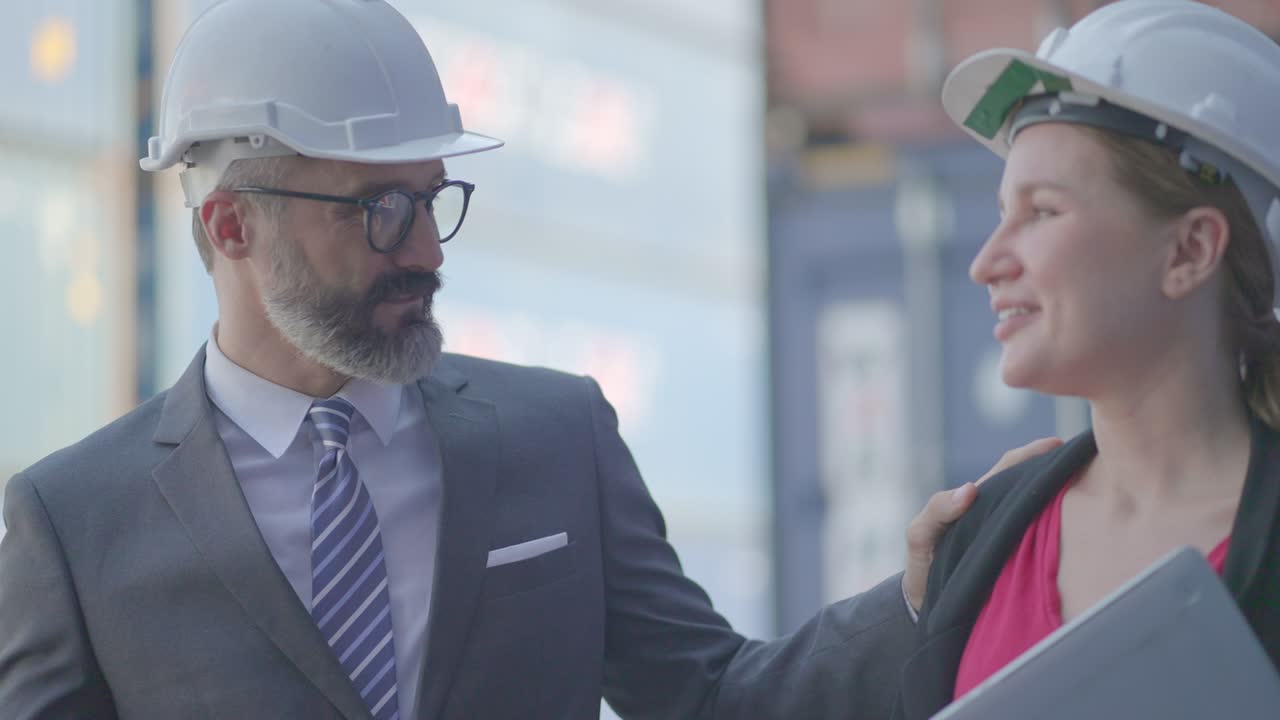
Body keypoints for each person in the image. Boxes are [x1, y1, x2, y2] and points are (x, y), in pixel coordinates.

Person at [0, 2, 1054, 719]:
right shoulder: (75, 524)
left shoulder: (558, 438)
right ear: (231, 226)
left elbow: (715, 698)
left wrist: (921, 591)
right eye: (379, 209)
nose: (423, 248)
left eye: (430, 197)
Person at [893, 2, 1280, 718]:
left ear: (1190, 250)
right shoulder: (977, 539)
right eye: (1001, 212)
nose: (985, 263)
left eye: (1041, 212)